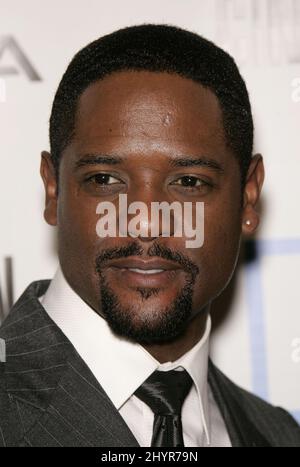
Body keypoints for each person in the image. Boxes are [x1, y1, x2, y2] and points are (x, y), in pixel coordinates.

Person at [0, 24, 299, 447]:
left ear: (248, 198)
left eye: (189, 183)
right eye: (104, 179)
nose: (144, 221)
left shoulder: (280, 436)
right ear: (54, 190)